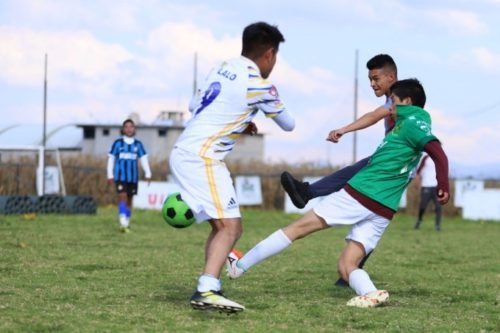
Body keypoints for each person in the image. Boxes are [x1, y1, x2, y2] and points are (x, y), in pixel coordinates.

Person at [226, 78, 449, 308]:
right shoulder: (409, 125)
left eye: (393, 101)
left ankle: (239, 266)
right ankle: (371, 293)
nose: (390, 106)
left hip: (361, 195)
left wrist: (443, 183)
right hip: (383, 209)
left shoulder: (412, 124)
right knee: (346, 266)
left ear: (407, 101)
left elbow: (437, 152)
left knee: (295, 229)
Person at [168, 22, 294, 313]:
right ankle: (207, 289)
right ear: (270, 54)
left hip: (186, 149)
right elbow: (289, 124)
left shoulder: (221, 67)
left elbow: (193, 104)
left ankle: (210, 284)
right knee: (231, 227)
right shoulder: (259, 85)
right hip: (203, 157)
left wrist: (239, 115)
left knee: (221, 226)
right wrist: (257, 107)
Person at [282, 54, 398, 286]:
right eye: (369, 79)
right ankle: (352, 270)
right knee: (369, 210)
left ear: (391, 77)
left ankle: (306, 193)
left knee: (356, 182)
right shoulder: (394, 97)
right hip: (388, 162)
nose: (372, 84)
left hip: (393, 167)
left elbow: (374, 116)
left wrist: (344, 129)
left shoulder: (400, 99)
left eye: (376, 78)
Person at [107, 119, 151, 232]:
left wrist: (148, 173)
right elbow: (111, 159)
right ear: (122, 129)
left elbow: (143, 158)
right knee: (122, 196)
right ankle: (122, 223)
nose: (129, 129)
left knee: (130, 200)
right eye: (126, 126)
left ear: (134, 129)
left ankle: (127, 222)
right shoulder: (118, 143)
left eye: (131, 126)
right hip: (120, 177)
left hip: (133, 177)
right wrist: (109, 175)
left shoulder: (138, 144)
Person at [414, 153, 443, 230]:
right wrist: (417, 183)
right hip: (426, 185)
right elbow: (418, 171)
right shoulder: (425, 158)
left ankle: (437, 225)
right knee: (423, 206)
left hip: (436, 186)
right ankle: (419, 221)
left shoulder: (440, 159)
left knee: (438, 206)